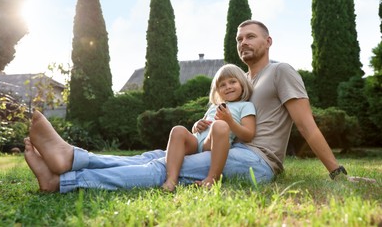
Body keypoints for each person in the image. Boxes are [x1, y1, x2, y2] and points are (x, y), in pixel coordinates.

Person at [24, 20, 352, 193]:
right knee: (155, 157)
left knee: (165, 170)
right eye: (239, 39)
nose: (244, 43)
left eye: (251, 37)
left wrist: (337, 173)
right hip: (230, 149)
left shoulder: (281, 71)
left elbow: (307, 125)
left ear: (268, 42)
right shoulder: (244, 83)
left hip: (257, 161)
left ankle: (63, 181)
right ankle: (72, 158)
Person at [162, 64, 256, 191]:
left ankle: (212, 178)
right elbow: (198, 129)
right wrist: (197, 125)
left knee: (220, 125)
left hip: (212, 144)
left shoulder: (245, 106)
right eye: (222, 85)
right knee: (177, 130)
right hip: (196, 142)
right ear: (217, 91)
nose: (228, 87)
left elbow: (249, 134)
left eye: (232, 82)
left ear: (242, 84)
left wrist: (229, 121)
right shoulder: (214, 106)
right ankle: (171, 180)